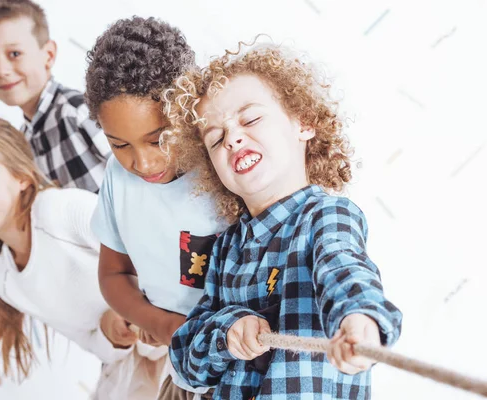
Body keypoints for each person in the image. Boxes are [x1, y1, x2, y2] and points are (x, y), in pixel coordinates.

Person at [163, 42, 403, 399]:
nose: (233, 138)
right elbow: (186, 360)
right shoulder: (226, 248)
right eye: (216, 138)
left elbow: (343, 268)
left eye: (251, 119)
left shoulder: (326, 216)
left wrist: (360, 320)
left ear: (303, 123)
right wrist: (226, 331)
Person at [0, 116, 160, 399]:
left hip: (176, 333)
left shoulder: (61, 211)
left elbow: (158, 259)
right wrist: (111, 332)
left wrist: (135, 309)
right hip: (137, 367)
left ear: (20, 177)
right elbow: (93, 343)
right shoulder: (5, 281)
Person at [85, 16, 228, 399]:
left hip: (243, 372)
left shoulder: (225, 165)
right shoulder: (118, 179)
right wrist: (160, 323)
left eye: (158, 139)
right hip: (183, 370)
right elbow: (113, 275)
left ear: (187, 109)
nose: (143, 164)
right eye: (120, 144)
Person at [0, 0, 110, 191]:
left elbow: (141, 181)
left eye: (14, 53)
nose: (1, 71)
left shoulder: (77, 111)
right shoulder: (23, 143)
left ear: (49, 55)